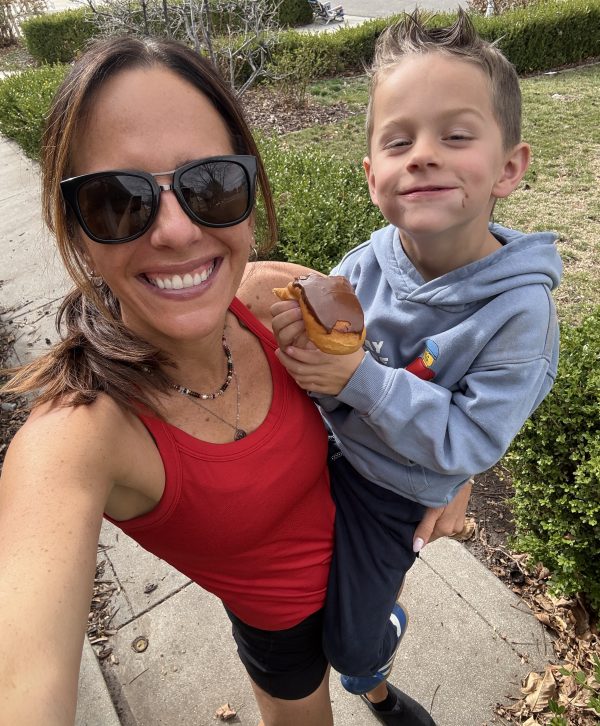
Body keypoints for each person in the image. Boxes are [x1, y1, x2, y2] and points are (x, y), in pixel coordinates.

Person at [0, 34, 470, 726]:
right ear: (75, 231)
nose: (174, 232)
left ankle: (373, 683)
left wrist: (458, 468)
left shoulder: (277, 298)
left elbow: (429, 372)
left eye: (210, 184)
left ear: (250, 192)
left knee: (366, 644)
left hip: (366, 552)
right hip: (283, 633)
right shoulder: (78, 438)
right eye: (116, 201)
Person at [271, 10, 562, 726]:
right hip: (321, 448)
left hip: (393, 493)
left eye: (456, 136)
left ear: (509, 167)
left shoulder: (519, 313)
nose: (423, 155)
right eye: (399, 141)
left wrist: (358, 380)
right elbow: (323, 349)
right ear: (373, 175)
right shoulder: (365, 262)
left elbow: (471, 441)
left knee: (347, 647)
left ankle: (378, 652)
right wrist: (296, 338)